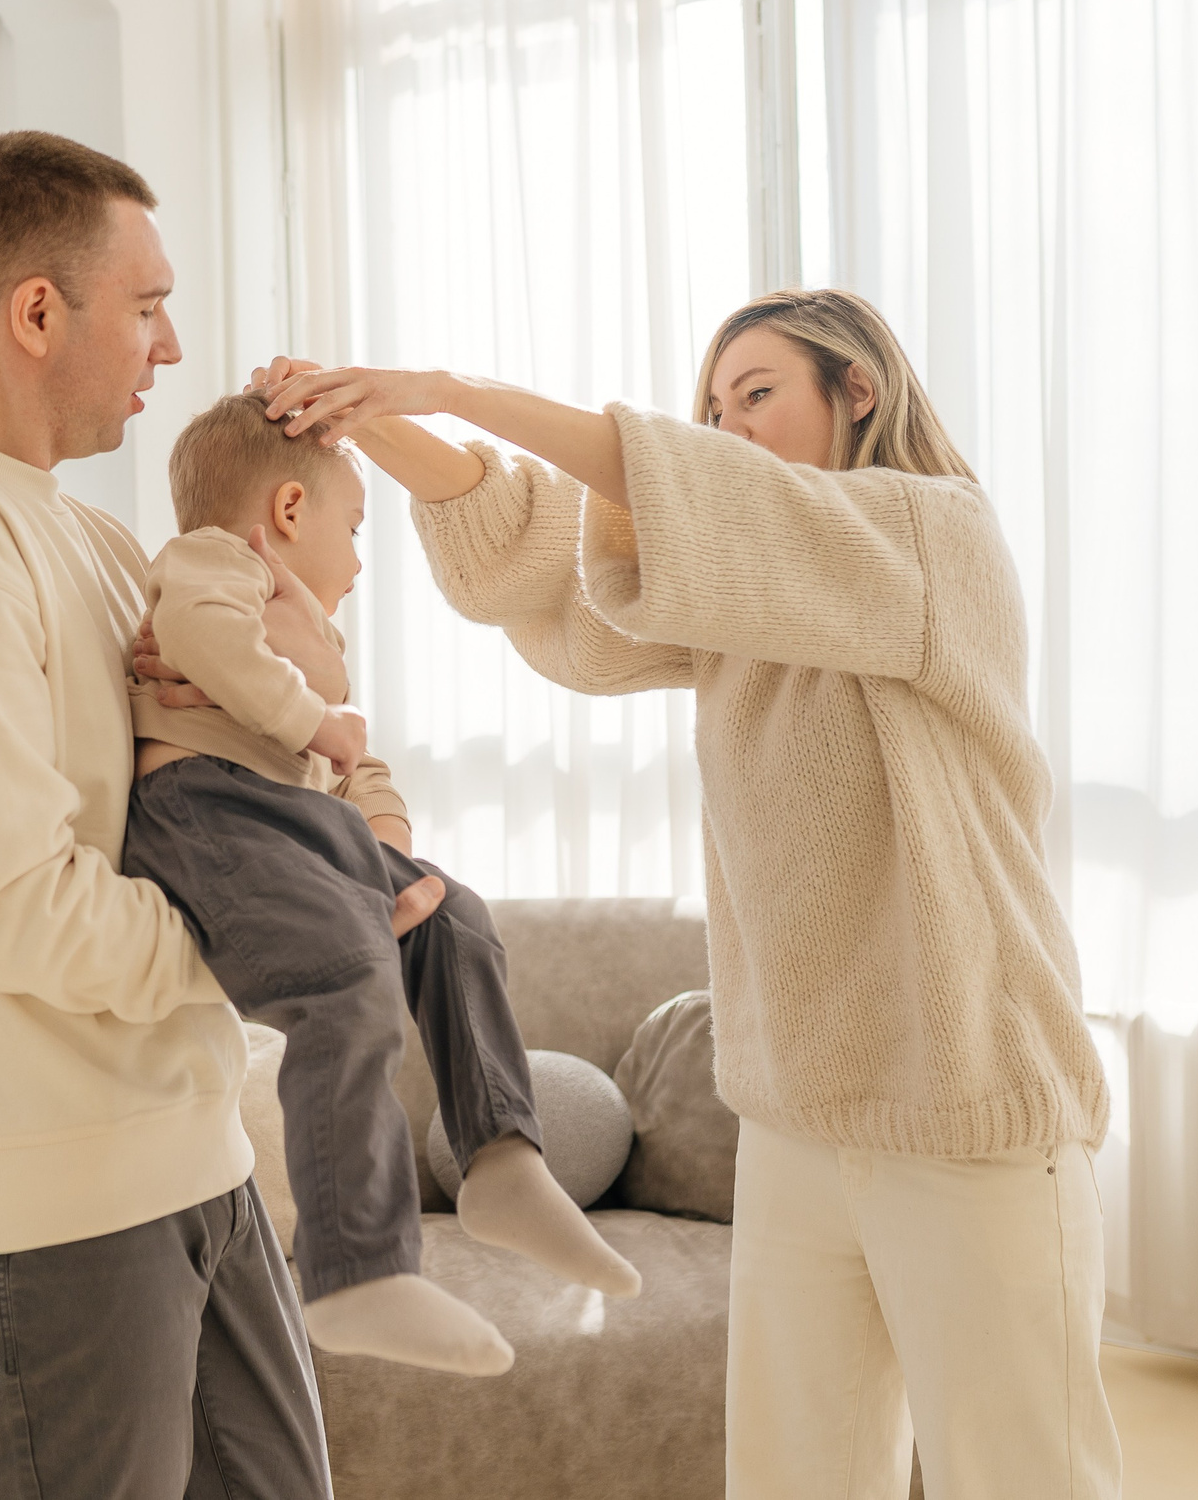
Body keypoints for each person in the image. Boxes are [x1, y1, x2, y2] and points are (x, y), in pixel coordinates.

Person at [250, 289, 1121, 1500]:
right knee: (792, 1473)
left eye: (755, 395)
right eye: (710, 408)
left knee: (1026, 1473)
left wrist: (439, 387)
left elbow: (704, 502)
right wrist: (368, 421)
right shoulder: (731, 608)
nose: (724, 428)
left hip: (967, 1106)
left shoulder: (932, 535)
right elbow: (548, 560)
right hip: (801, 1114)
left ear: (856, 389)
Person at [0, 130, 440, 1500]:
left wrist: (339, 825)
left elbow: (224, 781)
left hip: (186, 1161)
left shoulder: (88, 541)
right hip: (45, 1206)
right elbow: (7, 905)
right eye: (145, 306)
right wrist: (292, 937)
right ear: (38, 311)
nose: (171, 345)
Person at [120, 391, 641, 1379]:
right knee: (343, 985)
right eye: (352, 530)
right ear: (284, 513)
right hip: (207, 810)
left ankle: (501, 1160)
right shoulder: (217, 564)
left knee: (456, 919)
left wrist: (382, 838)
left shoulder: (303, 629)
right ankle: (354, 1271)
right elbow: (203, 641)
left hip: (291, 819)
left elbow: (354, 768)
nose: (358, 562)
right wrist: (311, 721)